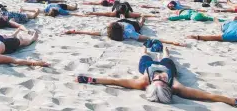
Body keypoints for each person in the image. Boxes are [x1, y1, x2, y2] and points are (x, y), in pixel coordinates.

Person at [76, 47, 237, 107]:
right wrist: (231, 100)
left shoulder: (143, 82)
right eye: (162, 81)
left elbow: (115, 81)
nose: (160, 78)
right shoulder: (176, 86)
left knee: (144, 54)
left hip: (148, 67)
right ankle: (165, 51)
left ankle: (145, 49)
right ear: (168, 87)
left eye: (158, 80)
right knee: (167, 56)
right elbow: (208, 96)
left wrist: (89, 79)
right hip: (167, 66)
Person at [64, 17, 184, 46]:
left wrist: (75, 31)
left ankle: (124, 17)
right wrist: (171, 42)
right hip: (131, 24)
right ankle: (142, 18)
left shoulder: (109, 32)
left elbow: (92, 32)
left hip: (123, 21)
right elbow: (147, 38)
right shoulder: (130, 33)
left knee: (123, 19)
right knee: (140, 24)